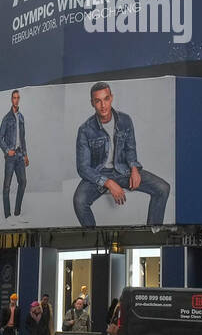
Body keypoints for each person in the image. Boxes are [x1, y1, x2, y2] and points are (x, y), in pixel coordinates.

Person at [72, 82, 171, 228]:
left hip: (123, 170)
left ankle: (152, 234)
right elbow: (83, 168)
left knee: (163, 188)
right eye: (98, 101)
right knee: (79, 202)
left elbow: (130, 149)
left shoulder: (125, 120)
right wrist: (109, 183)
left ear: (111, 98)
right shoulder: (85, 130)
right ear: (92, 103)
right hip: (98, 174)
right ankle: (93, 236)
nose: (103, 105)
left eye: (106, 99)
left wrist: (134, 169)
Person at [0, 90, 29, 220]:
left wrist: (26, 155)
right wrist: (7, 150)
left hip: (20, 155)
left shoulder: (21, 117)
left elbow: (23, 138)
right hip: (10, 156)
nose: (16, 100)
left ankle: (17, 212)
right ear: (11, 100)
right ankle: (7, 215)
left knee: (23, 182)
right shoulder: (6, 118)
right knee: (7, 186)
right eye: (14, 98)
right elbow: (0, 138)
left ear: (19, 99)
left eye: (18, 98)